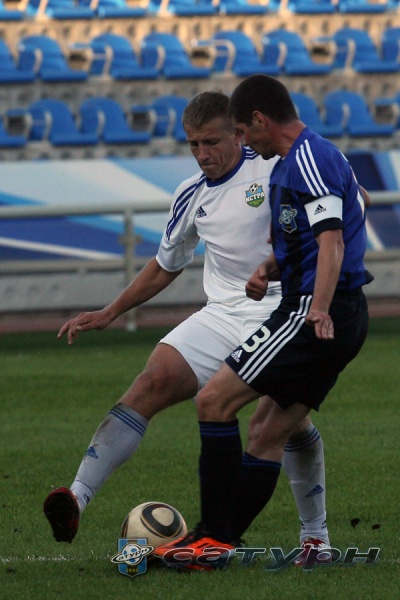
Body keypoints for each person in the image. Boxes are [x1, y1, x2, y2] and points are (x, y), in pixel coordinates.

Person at [43, 91, 331, 559]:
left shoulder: (276, 166)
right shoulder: (191, 193)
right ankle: (75, 498)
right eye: (193, 144)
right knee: (150, 382)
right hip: (222, 313)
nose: (202, 154)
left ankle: (315, 536)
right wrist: (111, 311)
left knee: (285, 424)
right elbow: (165, 264)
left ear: (238, 135)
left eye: (211, 142)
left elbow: (341, 202)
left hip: (286, 311)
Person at [153, 75, 374, 569]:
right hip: (337, 313)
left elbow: (332, 240)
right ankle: (225, 542)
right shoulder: (294, 164)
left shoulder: (308, 159)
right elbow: (345, 215)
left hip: (312, 312)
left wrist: (317, 306)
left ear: (258, 120)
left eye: (241, 131)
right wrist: (271, 268)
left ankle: (211, 536)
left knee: (213, 401)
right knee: (267, 432)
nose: (242, 142)